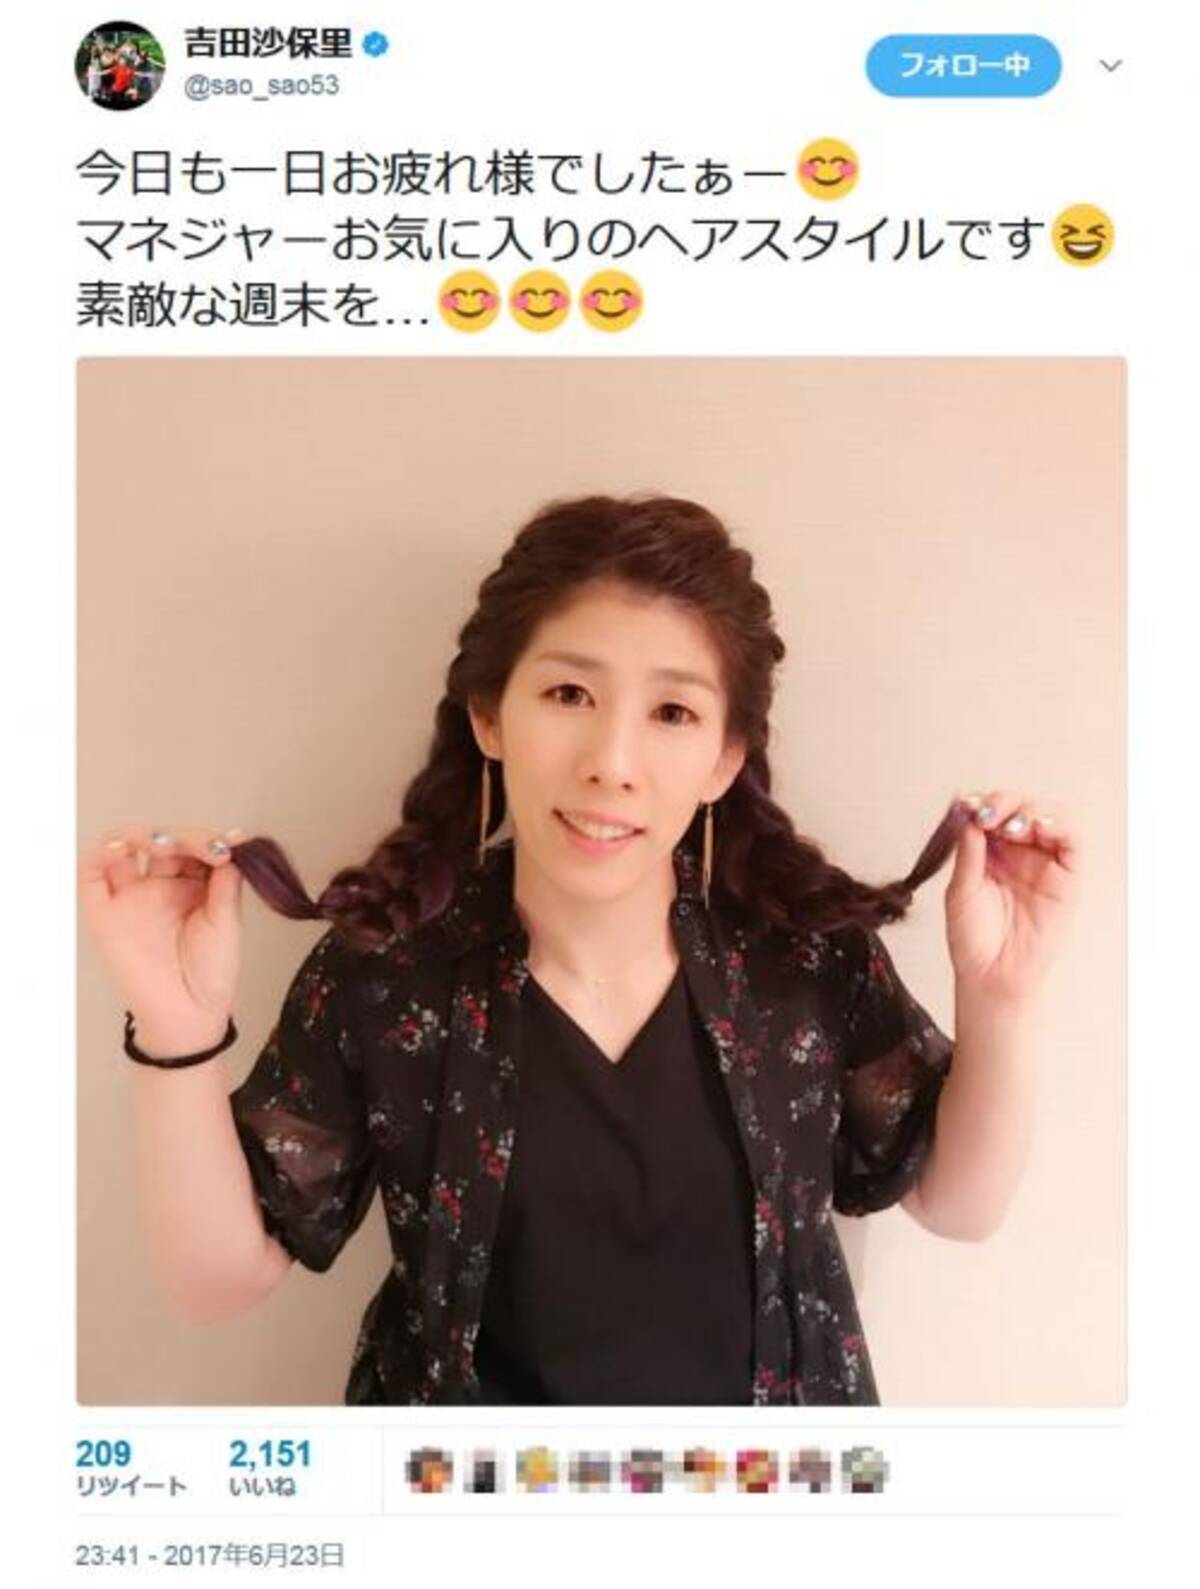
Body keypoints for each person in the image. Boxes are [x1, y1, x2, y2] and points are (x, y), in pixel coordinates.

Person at [79, 493, 1078, 1405]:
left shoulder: (807, 959)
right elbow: (217, 1281)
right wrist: (176, 1028)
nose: (612, 763)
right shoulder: (387, 975)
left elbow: (957, 1202)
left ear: (724, 758)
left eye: (673, 712)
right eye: (568, 694)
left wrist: (1003, 995)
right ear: (489, 715)